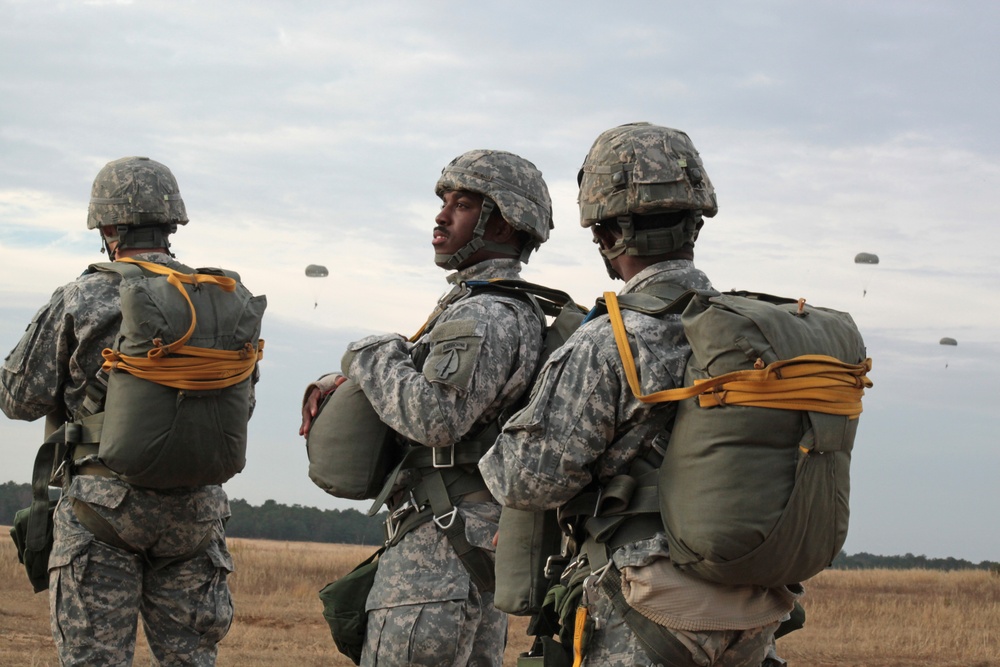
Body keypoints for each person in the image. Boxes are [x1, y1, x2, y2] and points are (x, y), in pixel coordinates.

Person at [479, 123, 800, 667]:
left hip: (649, 604)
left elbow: (526, 480)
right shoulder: (763, 332)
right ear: (696, 221)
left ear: (605, 235)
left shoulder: (613, 337)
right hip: (754, 606)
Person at [300, 149, 554, 667]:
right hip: (472, 544)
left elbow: (436, 418)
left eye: (462, 205)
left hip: (439, 552)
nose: (441, 217)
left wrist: (372, 354)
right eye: (444, 203)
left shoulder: (483, 312)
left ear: (503, 222)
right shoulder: (511, 307)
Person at [1, 156, 250, 665]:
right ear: (172, 221)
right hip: (196, 515)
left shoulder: (82, 294)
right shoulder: (220, 297)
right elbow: (240, 402)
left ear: (107, 225)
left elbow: (18, 399)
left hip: (103, 508)